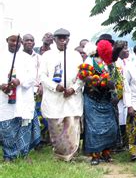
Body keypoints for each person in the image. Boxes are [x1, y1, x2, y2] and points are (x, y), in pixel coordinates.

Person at [40, 28, 84, 161]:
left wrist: (74, 88)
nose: (62, 40)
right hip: (54, 98)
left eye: (65, 37)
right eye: (59, 37)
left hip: (72, 98)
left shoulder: (76, 55)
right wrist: (55, 87)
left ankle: (72, 155)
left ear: (69, 39)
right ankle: (61, 156)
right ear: (54, 40)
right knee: (56, 126)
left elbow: (82, 76)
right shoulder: (47, 55)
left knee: (72, 125)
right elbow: (42, 76)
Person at [77, 35, 120, 165]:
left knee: (110, 127)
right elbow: (83, 77)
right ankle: (95, 155)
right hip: (92, 97)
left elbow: (117, 80)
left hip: (106, 98)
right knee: (94, 128)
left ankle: (106, 153)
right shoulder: (91, 60)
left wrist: (114, 89)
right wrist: (95, 80)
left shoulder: (112, 63)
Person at [0, 33, 40, 161]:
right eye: (12, 41)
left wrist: (19, 81)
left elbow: (32, 77)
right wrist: (2, 85)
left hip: (23, 97)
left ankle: (24, 154)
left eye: (18, 42)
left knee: (24, 126)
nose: (15, 44)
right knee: (7, 127)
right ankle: (9, 155)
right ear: (7, 40)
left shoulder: (27, 58)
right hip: (5, 98)